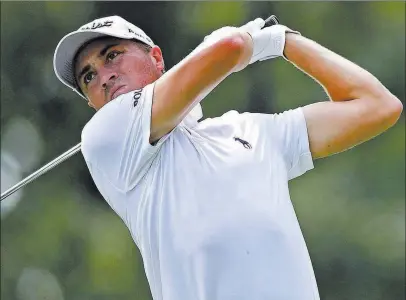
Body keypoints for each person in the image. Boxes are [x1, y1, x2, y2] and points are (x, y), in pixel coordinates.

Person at [53, 15, 402, 300]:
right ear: (91, 103)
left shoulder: (250, 131)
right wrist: (250, 42)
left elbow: (378, 106)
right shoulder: (103, 138)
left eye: (112, 55)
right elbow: (231, 47)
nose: (103, 76)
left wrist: (285, 41)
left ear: (156, 59)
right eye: (89, 76)